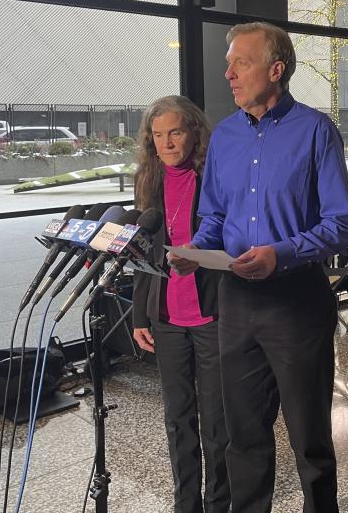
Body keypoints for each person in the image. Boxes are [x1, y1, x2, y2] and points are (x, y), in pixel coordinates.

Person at [170, 22, 348, 513]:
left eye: (240, 62)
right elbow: (214, 216)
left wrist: (283, 253)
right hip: (236, 303)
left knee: (310, 440)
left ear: (276, 70)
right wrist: (194, 251)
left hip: (296, 303)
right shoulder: (226, 136)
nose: (227, 72)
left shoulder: (317, 131)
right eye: (229, 63)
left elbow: (341, 224)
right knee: (243, 438)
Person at [130, 95, 229, 513]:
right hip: (166, 315)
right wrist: (139, 314)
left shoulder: (214, 176)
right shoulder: (147, 180)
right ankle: (185, 504)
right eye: (157, 135)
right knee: (178, 419)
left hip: (212, 313)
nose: (166, 143)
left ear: (194, 133)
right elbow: (141, 251)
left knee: (217, 422)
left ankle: (219, 503)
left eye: (175, 132)